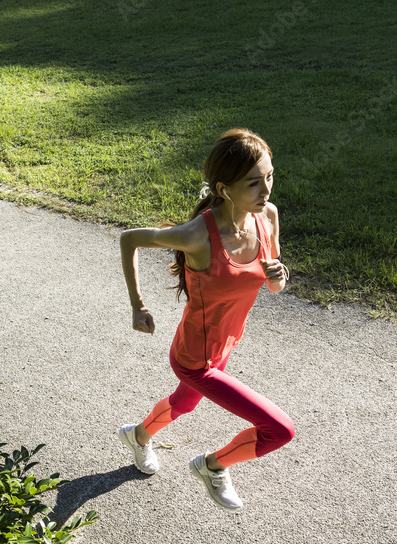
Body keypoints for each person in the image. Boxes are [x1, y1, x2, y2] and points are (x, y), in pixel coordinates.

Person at [117, 128, 295, 512]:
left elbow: (273, 285)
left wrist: (279, 279)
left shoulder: (267, 217)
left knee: (184, 405)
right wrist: (137, 305)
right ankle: (212, 466)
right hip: (194, 358)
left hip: (226, 344)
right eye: (253, 183)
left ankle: (138, 436)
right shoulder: (199, 235)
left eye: (270, 176)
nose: (266, 190)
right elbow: (129, 239)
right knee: (279, 430)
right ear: (224, 188)